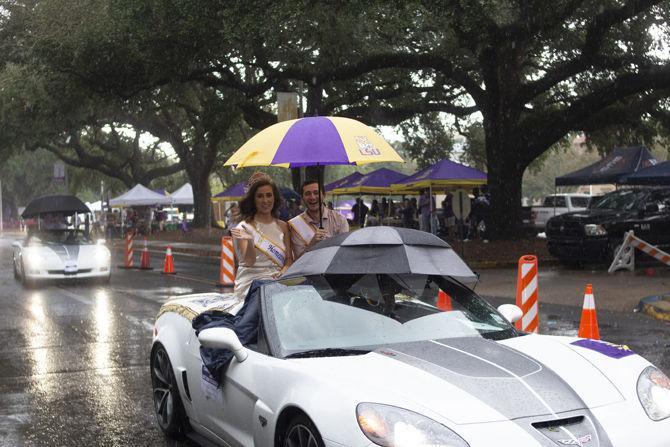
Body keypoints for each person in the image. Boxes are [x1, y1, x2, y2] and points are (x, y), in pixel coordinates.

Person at [230, 172, 292, 298]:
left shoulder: (283, 226)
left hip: (278, 282)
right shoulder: (243, 228)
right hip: (251, 286)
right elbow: (249, 261)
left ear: (275, 198)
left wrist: (285, 270)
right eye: (260, 196)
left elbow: (289, 260)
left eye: (269, 195)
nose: (265, 200)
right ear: (253, 200)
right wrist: (250, 241)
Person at [289, 178, 349, 260]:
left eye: (316, 193)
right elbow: (297, 261)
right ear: (302, 198)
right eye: (307, 194)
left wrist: (327, 243)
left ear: (324, 195)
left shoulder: (339, 220)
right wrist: (312, 244)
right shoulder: (294, 225)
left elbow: (344, 252)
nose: (312, 197)